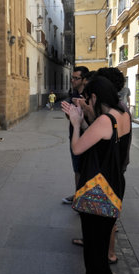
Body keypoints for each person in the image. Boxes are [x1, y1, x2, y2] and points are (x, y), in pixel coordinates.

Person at [62, 76, 132, 274]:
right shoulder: (123, 115)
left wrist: (74, 123)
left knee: (93, 243)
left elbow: (78, 148)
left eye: (88, 99)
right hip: (115, 186)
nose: (87, 103)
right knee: (102, 240)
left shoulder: (104, 121)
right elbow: (102, 141)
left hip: (97, 190)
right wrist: (84, 120)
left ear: (94, 96)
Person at [62, 66, 89, 204]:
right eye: (72, 77)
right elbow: (71, 119)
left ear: (84, 80)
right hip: (74, 135)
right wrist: (69, 113)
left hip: (88, 137)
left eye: (76, 78)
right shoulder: (73, 95)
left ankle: (84, 199)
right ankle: (78, 196)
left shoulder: (89, 96)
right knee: (77, 169)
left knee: (86, 169)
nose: (72, 80)